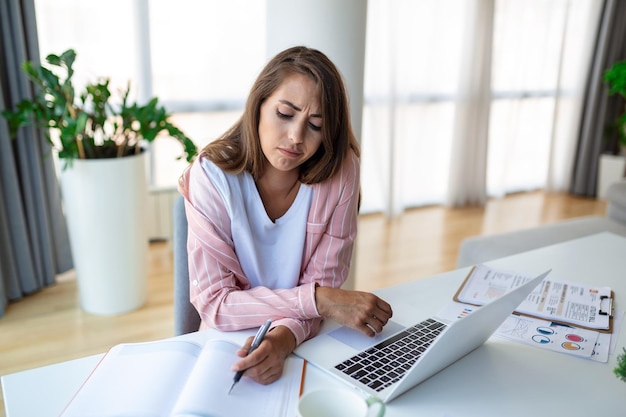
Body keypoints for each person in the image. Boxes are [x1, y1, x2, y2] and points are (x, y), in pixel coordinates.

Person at [178, 46, 393, 385]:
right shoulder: (211, 177)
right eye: (284, 113)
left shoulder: (340, 172)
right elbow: (216, 305)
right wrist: (318, 299)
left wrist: (281, 341)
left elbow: (325, 294)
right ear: (258, 105)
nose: (296, 137)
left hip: (303, 341)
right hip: (226, 344)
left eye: (315, 124)